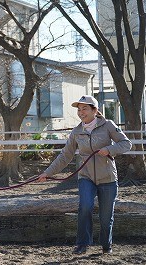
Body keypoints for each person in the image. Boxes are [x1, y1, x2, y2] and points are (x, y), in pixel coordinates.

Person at [37, 95, 132, 255]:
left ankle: (106, 245)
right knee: (85, 207)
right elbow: (65, 155)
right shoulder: (76, 132)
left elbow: (126, 144)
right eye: (79, 110)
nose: (81, 113)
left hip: (107, 177)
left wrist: (109, 150)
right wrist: (48, 172)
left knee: (105, 216)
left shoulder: (108, 125)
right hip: (86, 177)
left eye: (85, 109)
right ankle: (82, 244)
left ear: (95, 110)